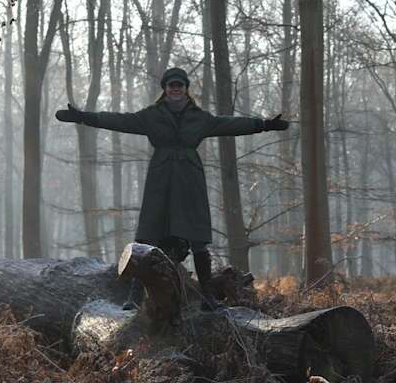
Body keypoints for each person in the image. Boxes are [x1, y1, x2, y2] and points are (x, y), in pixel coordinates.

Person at [55, 66, 289, 307]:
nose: (175, 89)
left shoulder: (200, 118)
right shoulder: (151, 116)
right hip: (160, 180)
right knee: (148, 236)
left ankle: (207, 297)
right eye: (171, 85)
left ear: (186, 89)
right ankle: (134, 297)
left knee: (197, 238)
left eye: (180, 85)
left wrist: (264, 124)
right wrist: (83, 117)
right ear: (165, 89)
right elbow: (119, 120)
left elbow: (230, 124)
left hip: (190, 181)